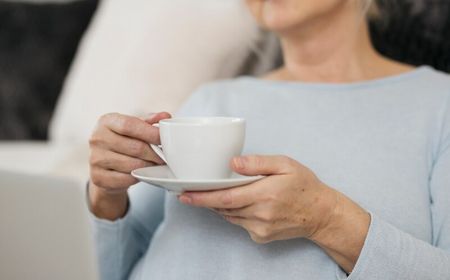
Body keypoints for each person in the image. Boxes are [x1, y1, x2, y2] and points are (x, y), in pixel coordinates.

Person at [87, 0, 450, 279]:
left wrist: (328, 219)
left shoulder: (438, 104)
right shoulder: (211, 100)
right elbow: (116, 266)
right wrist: (107, 194)